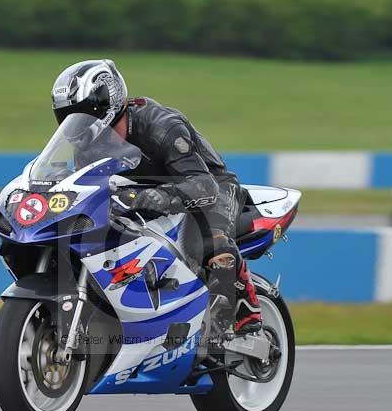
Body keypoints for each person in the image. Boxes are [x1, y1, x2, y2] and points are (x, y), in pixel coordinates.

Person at [50, 59, 261, 335]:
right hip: (140, 199)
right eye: (67, 116)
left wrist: (156, 196)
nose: (74, 125)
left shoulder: (162, 127)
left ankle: (247, 312)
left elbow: (203, 185)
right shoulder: (89, 144)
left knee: (211, 243)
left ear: (105, 104)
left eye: (79, 114)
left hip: (212, 190)